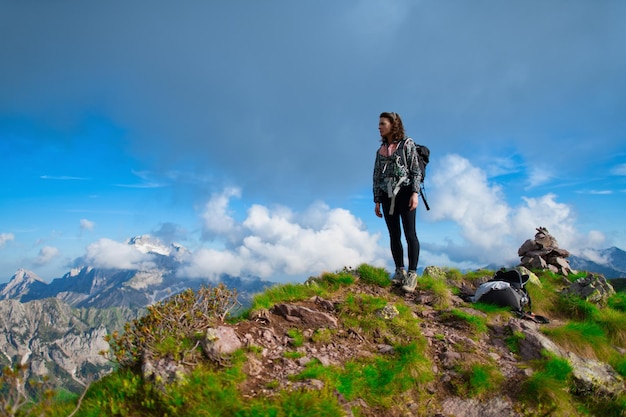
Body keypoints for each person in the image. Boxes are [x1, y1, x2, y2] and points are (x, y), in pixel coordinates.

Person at [372, 112, 421, 292]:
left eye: (382, 124)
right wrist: (377, 200)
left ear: (393, 125)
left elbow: (416, 171)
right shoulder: (380, 151)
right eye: (379, 124)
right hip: (387, 196)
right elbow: (377, 176)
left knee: (410, 233)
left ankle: (412, 274)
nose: (379, 127)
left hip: (405, 192)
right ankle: (399, 271)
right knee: (394, 235)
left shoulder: (407, 144)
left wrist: (414, 193)